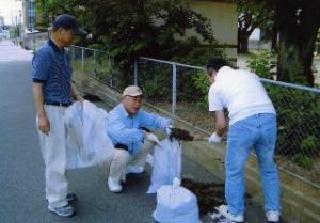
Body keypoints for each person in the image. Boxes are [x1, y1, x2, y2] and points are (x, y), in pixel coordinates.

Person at [206, 58, 280, 223]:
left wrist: (217, 136)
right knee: (268, 169)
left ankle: (235, 213)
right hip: (269, 118)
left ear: (212, 72)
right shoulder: (249, 75)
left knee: (234, 170)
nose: (209, 80)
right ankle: (273, 213)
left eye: (209, 76)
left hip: (242, 122)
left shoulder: (215, 86)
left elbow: (221, 124)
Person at [32, 14, 86, 217]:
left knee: (63, 155)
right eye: (72, 33)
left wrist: (79, 97)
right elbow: (37, 85)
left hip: (64, 109)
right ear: (61, 30)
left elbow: (66, 80)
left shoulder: (63, 53)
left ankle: (57, 192)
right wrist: (42, 116)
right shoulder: (44, 54)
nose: (74, 37)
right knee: (55, 157)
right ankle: (56, 201)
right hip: (51, 110)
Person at [106, 85, 172, 193]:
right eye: (134, 100)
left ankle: (132, 166)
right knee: (122, 155)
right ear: (124, 100)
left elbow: (154, 119)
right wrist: (144, 133)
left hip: (128, 148)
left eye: (140, 100)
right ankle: (113, 179)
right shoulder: (114, 115)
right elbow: (121, 134)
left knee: (150, 140)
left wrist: (167, 125)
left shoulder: (138, 113)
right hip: (110, 154)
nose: (138, 104)